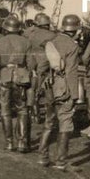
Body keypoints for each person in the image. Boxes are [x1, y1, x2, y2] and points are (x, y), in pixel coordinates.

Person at [37, 14, 81, 170]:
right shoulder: (73, 46)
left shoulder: (52, 42)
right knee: (65, 123)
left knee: (48, 122)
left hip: (49, 86)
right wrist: (75, 95)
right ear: (76, 30)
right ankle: (61, 161)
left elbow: (42, 67)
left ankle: (42, 157)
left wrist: (40, 86)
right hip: (63, 88)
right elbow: (71, 72)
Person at [0, 17, 35, 152]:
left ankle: (9, 142)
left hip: (5, 77)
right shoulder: (26, 42)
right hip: (21, 78)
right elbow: (31, 63)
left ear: (5, 28)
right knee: (22, 110)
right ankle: (22, 142)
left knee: (5, 110)